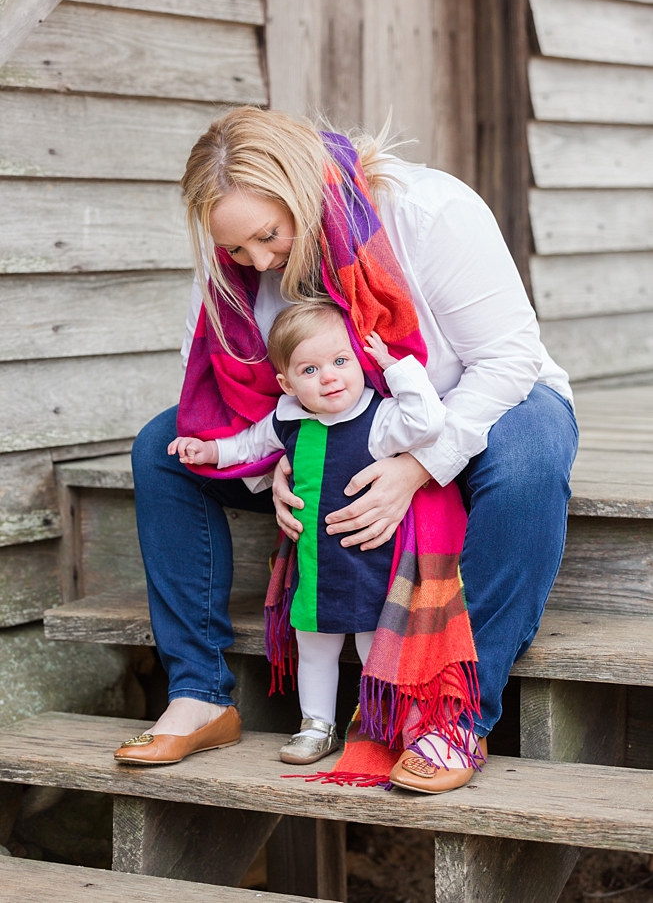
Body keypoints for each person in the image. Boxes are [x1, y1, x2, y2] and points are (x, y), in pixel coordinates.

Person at [114, 106, 578, 794]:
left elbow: (506, 361)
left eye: (270, 238)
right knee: (162, 446)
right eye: (240, 251)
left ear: (303, 187)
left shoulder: (429, 210)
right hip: (323, 429)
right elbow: (219, 390)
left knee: (532, 451)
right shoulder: (233, 259)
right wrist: (285, 458)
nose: (260, 263)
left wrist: (417, 467)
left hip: (463, 407)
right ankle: (200, 689)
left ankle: (453, 714)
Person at [168, 300, 447, 765]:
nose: (330, 377)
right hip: (316, 565)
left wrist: (395, 368)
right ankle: (317, 725)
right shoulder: (290, 420)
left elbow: (428, 421)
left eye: (340, 362)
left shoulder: (378, 419)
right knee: (313, 646)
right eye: (310, 369)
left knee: (372, 647)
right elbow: (247, 445)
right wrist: (208, 450)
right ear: (287, 384)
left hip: (370, 561)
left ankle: (382, 725)